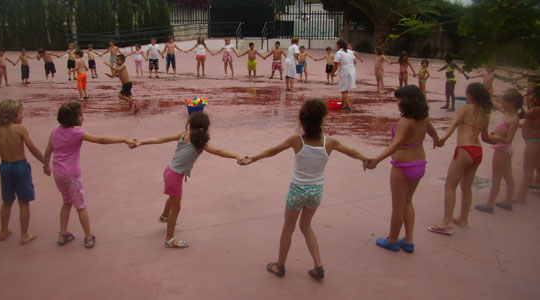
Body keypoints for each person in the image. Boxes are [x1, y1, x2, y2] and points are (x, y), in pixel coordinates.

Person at [239, 99, 368, 280]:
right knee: (306, 226)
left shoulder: (296, 141)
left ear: (302, 122)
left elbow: (272, 151)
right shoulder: (329, 143)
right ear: (323, 120)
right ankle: (318, 267)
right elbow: (352, 151)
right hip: (316, 192)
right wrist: (365, 159)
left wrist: (251, 158)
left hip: (297, 191)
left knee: (288, 227)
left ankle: (280, 265)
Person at [132, 112, 243, 248]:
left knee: (172, 198)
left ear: (190, 126)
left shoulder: (184, 135)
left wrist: (142, 142)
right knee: (177, 207)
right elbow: (219, 151)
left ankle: (164, 216)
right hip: (174, 176)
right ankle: (169, 239)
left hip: (170, 171)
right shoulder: (201, 144)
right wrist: (237, 155)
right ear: (206, 128)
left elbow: (161, 139)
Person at [43, 101, 136, 249]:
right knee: (80, 206)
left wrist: (46, 166)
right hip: (72, 174)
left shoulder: (55, 131)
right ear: (73, 118)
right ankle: (88, 237)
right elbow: (101, 140)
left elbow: (48, 151)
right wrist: (124, 139)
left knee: (67, 202)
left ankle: (62, 233)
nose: (83, 117)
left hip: (58, 173)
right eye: (80, 115)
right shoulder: (77, 133)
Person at [366, 85, 439, 252]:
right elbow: (434, 134)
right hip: (420, 164)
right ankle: (409, 240)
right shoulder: (424, 120)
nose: (397, 102)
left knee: (398, 206)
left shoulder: (405, 122)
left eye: (399, 99)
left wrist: (377, 159)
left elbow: (396, 144)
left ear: (406, 102)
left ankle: (392, 240)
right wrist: (437, 140)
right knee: (408, 202)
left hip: (402, 167)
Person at [427, 83, 497, 235]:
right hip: (477, 151)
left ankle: (446, 222)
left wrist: (442, 139)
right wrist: (498, 140)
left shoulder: (465, 108)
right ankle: (464, 218)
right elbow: (485, 138)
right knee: (466, 187)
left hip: (464, 149)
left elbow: (454, 125)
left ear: (470, 95)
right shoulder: (485, 113)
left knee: (450, 186)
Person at [0, 99, 45, 245]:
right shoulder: (20, 129)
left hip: (5, 167)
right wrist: (45, 161)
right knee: (24, 203)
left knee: (7, 202)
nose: (22, 116)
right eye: (21, 113)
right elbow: (33, 149)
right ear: (12, 115)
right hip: (20, 167)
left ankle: (3, 231)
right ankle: (24, 235)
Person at [475, 91, 523, 213]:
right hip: (503, 148)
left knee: (497, 177)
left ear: (512, 104)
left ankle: (489, 204)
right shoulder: (507, 113)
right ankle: (507, 201)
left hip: (502, 149)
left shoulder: (513, 119)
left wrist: (497, 138)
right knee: (507, 175)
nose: (503, 104)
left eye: (505, 103)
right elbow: (496, 105)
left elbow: (509, 139)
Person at [513, 85, 540, 204]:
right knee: (538, 167)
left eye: (533, 96)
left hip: (535, 142)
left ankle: (521, 196)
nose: (530, 98)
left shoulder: (537, 110)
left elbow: (519, 115)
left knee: (528, 169)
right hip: (533, 141)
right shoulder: (535, 109)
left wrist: (515, 103)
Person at [331, 40, 357, 110]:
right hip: (352, 70)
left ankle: (348, 105)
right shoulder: (350, 52)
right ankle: (343, 104)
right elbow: (355, 61)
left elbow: (336, 65)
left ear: (339, 45)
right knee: (346, 88)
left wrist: (332, 73)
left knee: (343, 90)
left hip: (345, 71)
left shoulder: (339, 53)